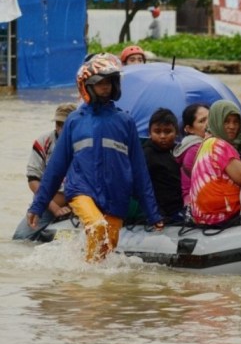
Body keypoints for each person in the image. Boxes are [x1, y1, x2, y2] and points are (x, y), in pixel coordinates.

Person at [26, 54, 163, 262]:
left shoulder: (125, 122)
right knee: (97, 226)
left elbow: (139, 170)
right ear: (86, 86)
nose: (105, 87)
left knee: (105, 253)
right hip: (82, 191)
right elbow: (56, 168)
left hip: (116, 197)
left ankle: (87, 288)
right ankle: (87, 281)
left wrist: (153, 214)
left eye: (109, 82)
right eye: (100, 82)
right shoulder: (74, 121)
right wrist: (38, 205)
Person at [13, 103, 77, 241]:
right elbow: (33, 179)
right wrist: (54, 208)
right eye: (58, 123)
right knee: (20, 238)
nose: (60, 128)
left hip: (79, 202)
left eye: (64, 124)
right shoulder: (43, 141)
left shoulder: (84, 142)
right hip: (47, 203)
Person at [189, 100, 241, 225]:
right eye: (226, 121)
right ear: (216, 121)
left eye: (236, 122)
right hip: (222, 215)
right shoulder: (220, 145)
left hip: (202, 217)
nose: (232, 126)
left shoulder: (205, 144)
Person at [143, 108, 183, 221]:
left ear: (176, 133)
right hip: (160, 214)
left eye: (167, 131)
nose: (162, 136)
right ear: (149, 133)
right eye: (157, 131)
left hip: (181, 209)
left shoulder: (180, 151)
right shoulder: (147, 154)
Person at [173, 103, 209, 208]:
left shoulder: (193, 143)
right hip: (198, 205)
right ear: (189, 129)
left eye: (210, 118)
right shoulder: (196, 149)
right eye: (202, 121)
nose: (208, 123)